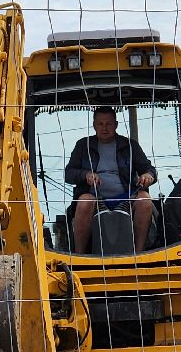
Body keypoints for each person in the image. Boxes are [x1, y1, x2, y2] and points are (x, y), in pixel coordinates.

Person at [63, 107, 157, 253]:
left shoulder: (130, 145)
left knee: (145, 200)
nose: (104, 128)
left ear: (116, 125)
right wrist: (86, 175)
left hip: (127, 197)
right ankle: (79, 257)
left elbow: (149, 169)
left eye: (109, 124)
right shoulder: (83, 145)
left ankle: (139, 254)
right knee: (84, 202)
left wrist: (148, 176)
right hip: (95, 197)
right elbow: (68, 174)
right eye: (100, 124)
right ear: (94, 125)